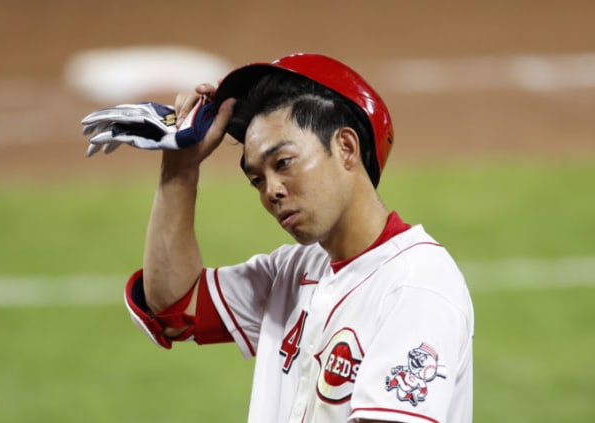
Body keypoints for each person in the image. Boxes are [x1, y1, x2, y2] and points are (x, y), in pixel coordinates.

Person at [84, 53, 474, 423]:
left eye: (283, 163)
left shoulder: (416, 283)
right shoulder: (292, 272)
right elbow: (173, 306)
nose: (270, 191)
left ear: (346, 147)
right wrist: (180, 169)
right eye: (257, 179)